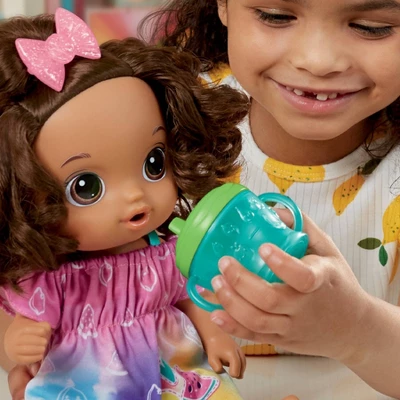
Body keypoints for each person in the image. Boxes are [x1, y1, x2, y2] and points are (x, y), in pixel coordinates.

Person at [139, 0, 400, 398]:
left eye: (370, 27)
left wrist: (357, 329)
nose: (317, 61)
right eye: (276, 16)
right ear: (223, 5)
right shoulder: (161, 117)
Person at [0, 8, 252, 399]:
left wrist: (214, 334)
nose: (135, 196)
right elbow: (15, 324)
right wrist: (13, 345)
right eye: (86, 187)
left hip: (174, 370)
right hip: (88, 382)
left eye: (154, 163)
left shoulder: (164, 252)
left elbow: (187, 296)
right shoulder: (48, 280)